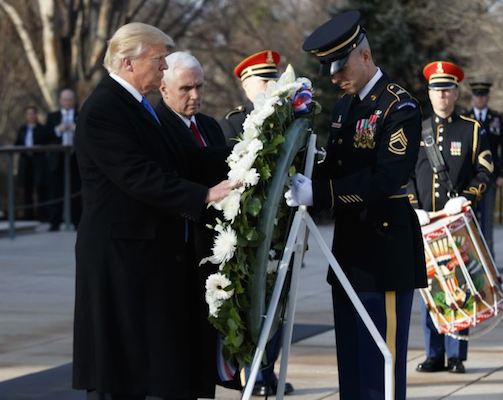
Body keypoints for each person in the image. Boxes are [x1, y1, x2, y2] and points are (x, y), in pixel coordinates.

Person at [72, 22, 237, 400]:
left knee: (146, 362)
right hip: (119, 255)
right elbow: (137, 175)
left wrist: (244, 153)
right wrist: (203, 195)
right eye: (158, 60)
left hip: (143, 251)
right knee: (120, 366)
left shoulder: (137, 105)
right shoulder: (104, 109)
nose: (164, 67)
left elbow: (182, 159)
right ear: (128, 62)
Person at [288, 10, 427, 399]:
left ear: (364, 55)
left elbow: (386, 178)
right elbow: (335, 166)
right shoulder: (344, 107)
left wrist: (321, 194)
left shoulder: (399, 107)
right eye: (328, 70)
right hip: (350, 252)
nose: (334, 77)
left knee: (380, 365)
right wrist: (298, 176)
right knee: (350, 363)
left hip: (384, 252)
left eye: (340, 67)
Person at [408, 61, 494, 375]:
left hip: (456, 222)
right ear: (429, 94)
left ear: (456, 93)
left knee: (460, 284)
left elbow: (485, 169)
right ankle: (434, 353)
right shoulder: (417, 129)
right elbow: (405, 174)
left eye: (447, 89)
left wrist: (467, 197)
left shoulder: (471, 129)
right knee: (429, 288)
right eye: (436, 90)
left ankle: (456, 353)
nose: (442, 95)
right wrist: (412, 206)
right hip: (426, 222)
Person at [218, 49, 295, 397]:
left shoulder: (289, 121)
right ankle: (250, 372)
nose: (270, 86)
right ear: (246, 84)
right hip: (247, 231)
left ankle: (267, 371)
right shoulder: (232, 125)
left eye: (273, 79)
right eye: (263, 80)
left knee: (278, 301)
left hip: (282, 227)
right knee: (250, 302)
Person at [155, 50, 231, 397]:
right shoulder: (158, 126)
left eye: (199, 86)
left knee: (206, 343)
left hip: (213, 250)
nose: (195, 95)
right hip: (180, 251)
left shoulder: (210, 126)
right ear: (164, 88)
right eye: (186, 88)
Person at [465, 81, 503, 258]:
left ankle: (488, 256)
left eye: (483, 95)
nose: (480, 99)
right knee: (470, 218)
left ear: (487, 97)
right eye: (477, 95)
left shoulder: (497, 119)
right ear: (473, 97)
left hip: (490, 176)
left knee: (487, 218)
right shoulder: (466, 117)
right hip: (470, 177)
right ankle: (471, 257)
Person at [219, 50, 281, 145]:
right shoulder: (232, 122)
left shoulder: (286, 111)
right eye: (265, 81)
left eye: (275, 80)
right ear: (246, 85)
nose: (272, 85)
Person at [45, 88, 81, 230]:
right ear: (60, 101)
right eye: (64, 99)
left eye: (70, 99)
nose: (67, 102)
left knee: (76, 191)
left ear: (74, 101)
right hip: (57, 159)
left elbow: (88, 135)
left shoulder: (80, 115)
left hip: (75, 158)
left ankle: (77, 222)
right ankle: (55, 222)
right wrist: (57, 130)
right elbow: (45, 135)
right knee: (56, 191)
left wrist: (76, 129)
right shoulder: (52, 116)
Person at [14, 106, 49, 220]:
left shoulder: (42, 128)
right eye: (28, 114)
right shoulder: (22, 129)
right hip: (25, 162)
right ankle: (28, 216)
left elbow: (46, 143)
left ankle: (42, 215)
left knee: (40, 188)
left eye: (32, 113)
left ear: (36, 115)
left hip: (39, 162)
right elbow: (17, 143)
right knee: (27, 189)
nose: (31, 116)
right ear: (26, 116)